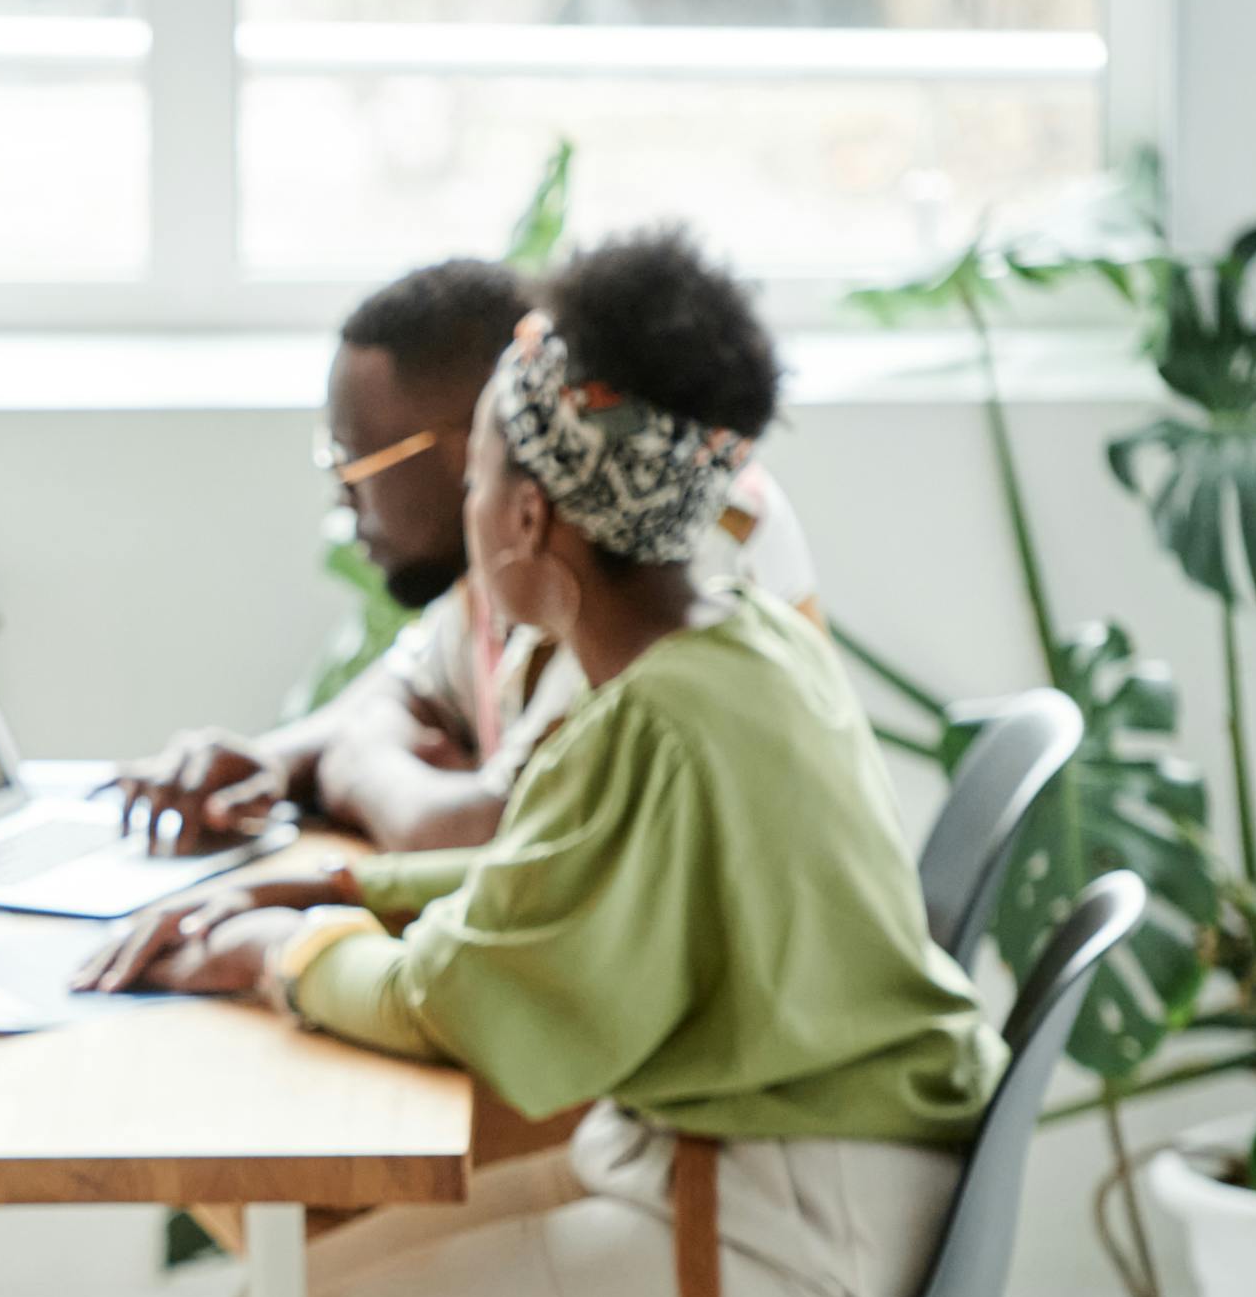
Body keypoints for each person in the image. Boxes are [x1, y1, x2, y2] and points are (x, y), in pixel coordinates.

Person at [79, 231, 1000, 1297]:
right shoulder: (713, 649)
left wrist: (272, 953)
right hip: (748, 1176)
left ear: (518, 519)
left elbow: (487, 999)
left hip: (767, 1235)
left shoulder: (651, 716)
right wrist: (334, 887)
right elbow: (547, 887)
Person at [110, 256, 821, 857]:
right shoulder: (517, 550)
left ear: (483, 437)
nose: (341, 501)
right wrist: (273, 761)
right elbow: (413, 687)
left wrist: (365, 770)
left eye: (353, 460)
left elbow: (517, 835)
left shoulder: (653, 537)